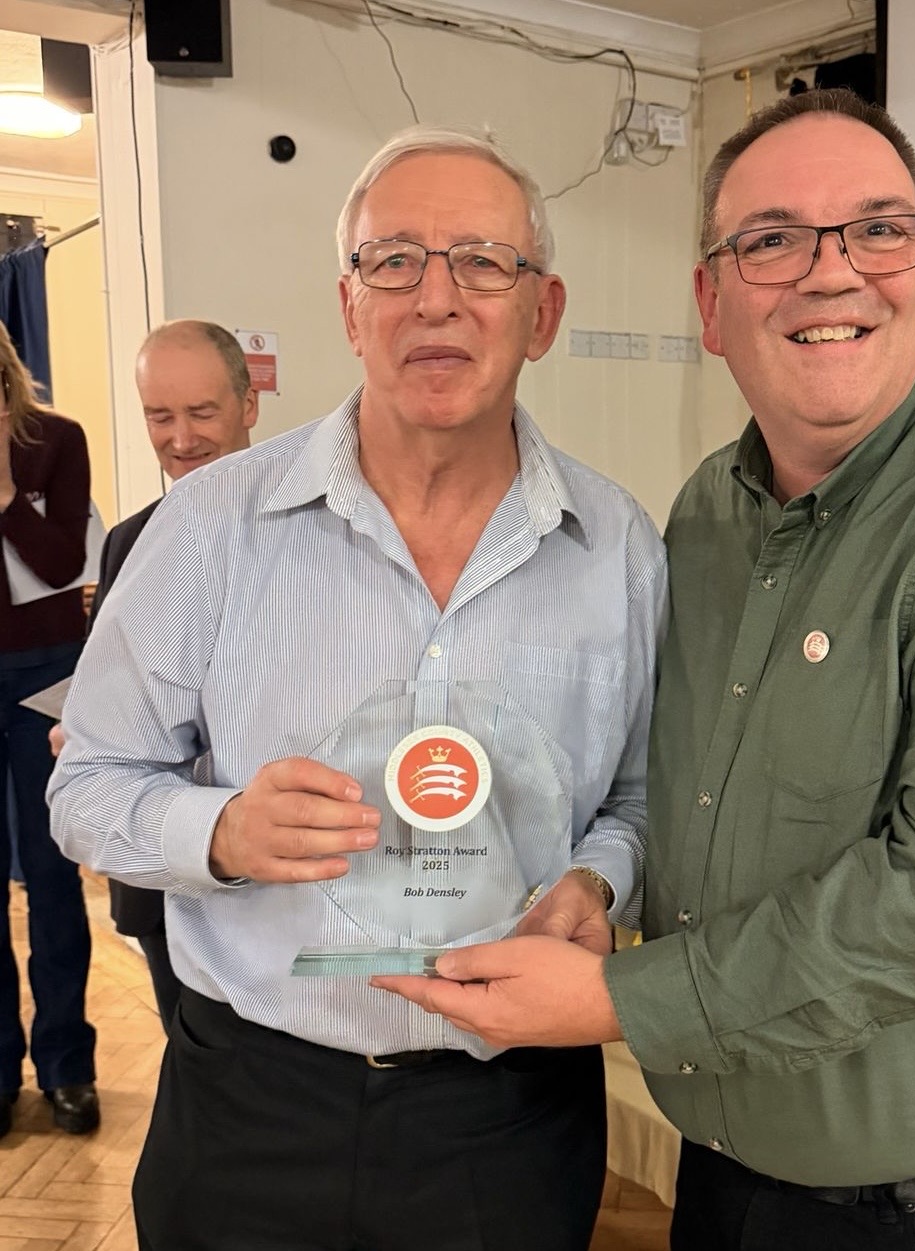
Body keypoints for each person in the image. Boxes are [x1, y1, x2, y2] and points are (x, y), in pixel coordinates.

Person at [376, 88, 915, 1251]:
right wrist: (596, 886)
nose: (829, 271)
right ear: (709, 300)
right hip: (736, 1177)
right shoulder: (705, 516)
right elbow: (683, 793)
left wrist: (613, 1001)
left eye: (876, 229)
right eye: (770, 240)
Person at [50, 127, 665, 1251]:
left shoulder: (618, 547)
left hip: (510, 1124)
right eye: (394, 261)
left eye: (483, 260)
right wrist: (221, 828)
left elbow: (635, 797)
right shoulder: (209, 530)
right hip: (249, 1115)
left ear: (545, 309)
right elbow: (85, 785)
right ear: (348, 307)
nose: (436, 298)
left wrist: (597, 879)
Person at [50, 320, 259, 1030]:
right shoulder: (128, 540)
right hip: (157, 870)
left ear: (249, 405)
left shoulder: (311, 538)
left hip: (268, 880)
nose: (181, 437)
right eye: (158, 416)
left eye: (202, 412)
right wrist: (82, 735)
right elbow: (107, 693)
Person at [0, 319, 98, 1139]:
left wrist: (4, 497)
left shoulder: (56, 438)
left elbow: (67, 565)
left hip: (48, 668)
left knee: (53, 871)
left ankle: (68, 1064)